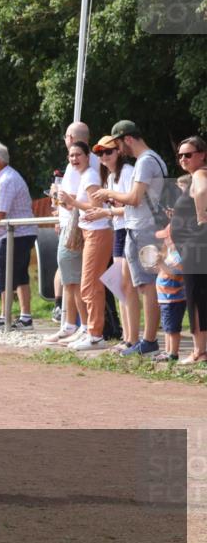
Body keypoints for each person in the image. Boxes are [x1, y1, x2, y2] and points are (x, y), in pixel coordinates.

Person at [92, 121, 167, 356]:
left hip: (145, 229)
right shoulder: (147, 160)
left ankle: (149, 341)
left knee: (147, 286)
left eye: (117, 145)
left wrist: (108, 193)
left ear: (127, 139)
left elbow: (134, 198)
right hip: (139, 228)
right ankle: (141, 340)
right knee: (139, 285)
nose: (118, 150)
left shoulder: (145, 161)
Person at [56, 141, 114, 350]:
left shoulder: (89, 175)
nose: (74, 159)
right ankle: (91, 332)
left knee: (89, 285)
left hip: (97, 232)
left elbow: (95, 206)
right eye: (71, 156)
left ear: (88, 157)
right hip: (91, 232)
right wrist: (67, 202)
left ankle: (95, 335)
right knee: (89, 284)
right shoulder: (85, 175)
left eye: (78, 155)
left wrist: (71, 202)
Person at [83, 136, 138, 351]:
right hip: (118, 229)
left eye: (108, 151)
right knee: (120, 286)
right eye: (100, 153)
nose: (104, 156)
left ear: (119, 151)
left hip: (129, 229)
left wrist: (105, 212)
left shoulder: (127, 172)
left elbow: (133, 206)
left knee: (128, 286)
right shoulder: (110, 176)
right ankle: (127, 337)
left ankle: (133, 339)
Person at [0, 142, 37, 332]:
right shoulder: (5, 177)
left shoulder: (6, 179)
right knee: (19, 275)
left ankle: (5, 317)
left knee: (5, 275)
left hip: (15, 234)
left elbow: (0, 212)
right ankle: (25, 317)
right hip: (21, 233)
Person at [168, 136, 207, 364]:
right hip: (194, 246)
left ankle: (199, 351)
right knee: (199, 296)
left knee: (195, 297)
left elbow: (202, 192)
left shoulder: (200, 174)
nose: (183, 159)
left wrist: (201, 216)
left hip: (195, 246)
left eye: (188, 154)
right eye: (180, 155)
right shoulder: (197, 175)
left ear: (201, 155)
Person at [154, 219, 185, 363]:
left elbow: (175, 275)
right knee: (167, 327)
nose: (165, 241)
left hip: (173, 298)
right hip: (165, 298)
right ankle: (167, 351)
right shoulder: (170, 254)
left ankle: (173, 353)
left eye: (167, 238)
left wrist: (161, 264)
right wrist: (159, 264)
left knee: (172, 328)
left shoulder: (178, 256)